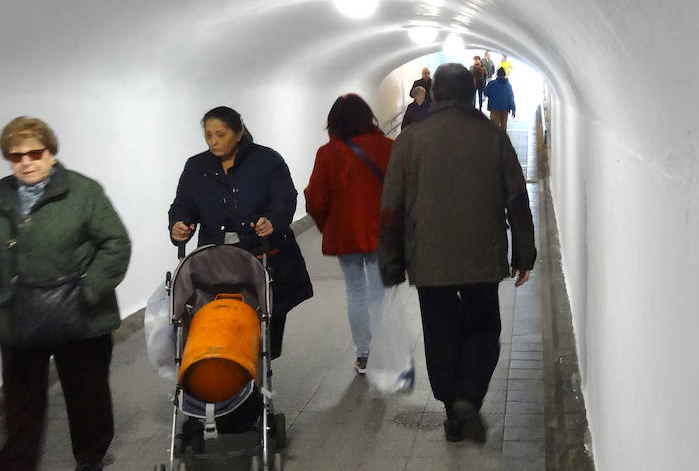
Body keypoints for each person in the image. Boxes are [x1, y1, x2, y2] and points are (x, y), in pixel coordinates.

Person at [0, 116, 131, 471]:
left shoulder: (82, 191)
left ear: (51, 152)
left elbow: (115, 244)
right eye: (15, 156)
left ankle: (90, 452)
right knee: (20, 401)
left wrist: (89, 289)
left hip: (79, 312)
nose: (26, 162)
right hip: (18, 312)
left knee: (86, 390)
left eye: (34, 153)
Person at [379, 63, 536, 445]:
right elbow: (516, 197)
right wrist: (524, 252)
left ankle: (452, 410)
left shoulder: (411, 140)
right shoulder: (493, 136)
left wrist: (392, 262)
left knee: (440, 332)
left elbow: (392, 207)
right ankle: (468, 398)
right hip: (482, 254)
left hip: (429, 256)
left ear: (433, 95)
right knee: (484, 327)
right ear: (472, 92)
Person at [168, 106, 313, 363]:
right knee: (220, 325)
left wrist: (273, 222)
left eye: (220, 135)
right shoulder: (196, 166)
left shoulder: (267, 161)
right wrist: (180, 224)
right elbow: (183, 204)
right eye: (208, 136)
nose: (213, 142)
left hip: (263, 256)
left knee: (264, 329)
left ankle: (257, 372)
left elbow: (285, 198)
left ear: (239, 132)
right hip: (215, 263)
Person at [304, 95, 393, 375]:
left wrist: (326, 224)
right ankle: (383, 350)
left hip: (346, 233)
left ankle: (364, 354)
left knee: (355, 291)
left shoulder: (327, 153)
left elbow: (315, 198)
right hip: (382, 230)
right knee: (379, 291)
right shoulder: (388, 147)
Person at [484, 66, 517, 131]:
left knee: (494, 128)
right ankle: (502, 140)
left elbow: (485, 93)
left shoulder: (491, 83)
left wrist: (492, 96)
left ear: (497, 74)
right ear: (504, 75)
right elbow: (511, 97)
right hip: (505, 109)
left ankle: (494, 140)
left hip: (494, 108)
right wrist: (513, 109)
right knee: (503, 128)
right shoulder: (508, 85)